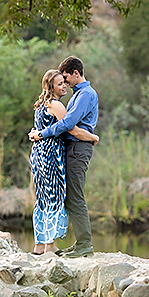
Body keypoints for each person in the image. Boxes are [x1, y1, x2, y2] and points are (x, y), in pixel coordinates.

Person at [29, 56, 99, 257]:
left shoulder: (86, 94)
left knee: (75, 197)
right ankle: (79, 244)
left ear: (76, 73)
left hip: (78, 148)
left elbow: (70, 125)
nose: (65, 83)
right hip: (69, 148)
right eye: (61, 82)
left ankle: (84, 244)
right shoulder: (75, 95)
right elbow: (67, 124)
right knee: (66, 197)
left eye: (66, 78)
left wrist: (42, 133)